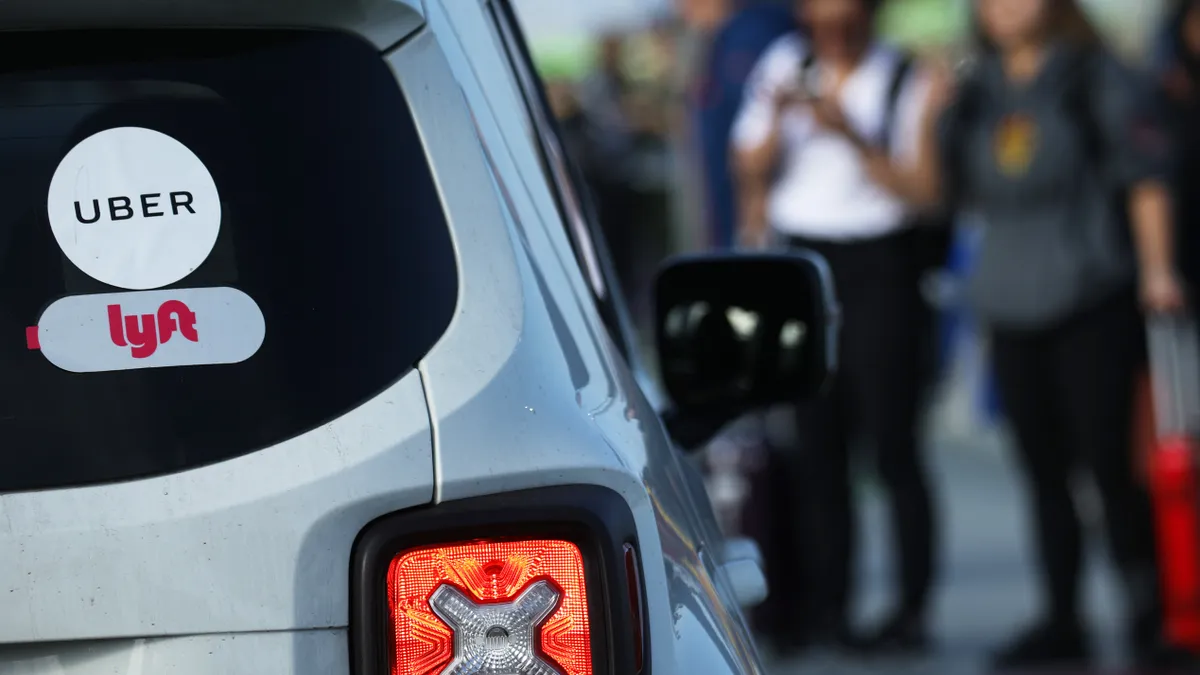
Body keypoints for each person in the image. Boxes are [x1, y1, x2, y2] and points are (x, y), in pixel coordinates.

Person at [937, 0, 1189, 668]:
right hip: (1011, 300)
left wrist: (1158, 269)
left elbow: (1146, 179)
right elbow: (946, 189)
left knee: (1111, 468)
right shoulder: (977, 87)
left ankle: (1151, 615)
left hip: (1090, 293)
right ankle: (1062, 616)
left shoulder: (1094, 77)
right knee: (1042, 469)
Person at [731, 0, 948, 653]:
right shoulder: (784, 64)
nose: (831, 21)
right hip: (803, 262)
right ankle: (827, 605)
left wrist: (847, 131)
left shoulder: (908, 74)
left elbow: (925, 189)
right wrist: (780, 119)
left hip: (880, 265)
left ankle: (910, 607)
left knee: (892, 444)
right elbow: (747, 166)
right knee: (816, 447)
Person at [678, 0, 794, 250]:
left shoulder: (754, 33)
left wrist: (751, 226)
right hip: (726, 214)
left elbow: (754, 140)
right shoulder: (725, 36)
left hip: (754, 218)